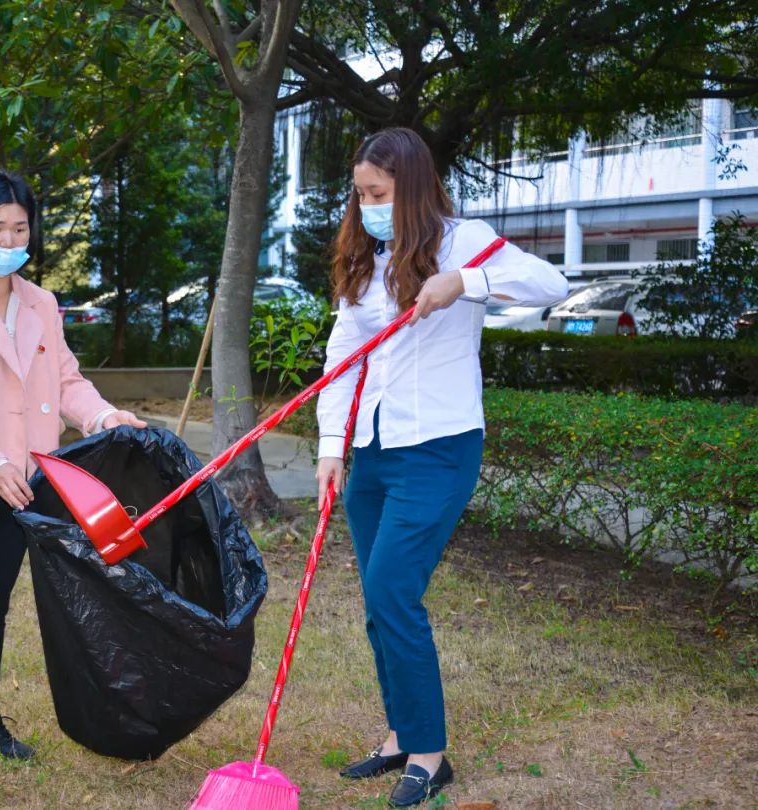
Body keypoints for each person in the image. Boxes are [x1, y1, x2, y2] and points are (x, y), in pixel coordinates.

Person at [315, 128, 568, 807]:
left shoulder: (464, 241)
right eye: (360, 194)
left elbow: (551, 283)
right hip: (373, 452)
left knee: (393, 592)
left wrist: (465, 282)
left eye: (378, 194)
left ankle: (429, 755)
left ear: (413, 188)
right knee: (379, 604)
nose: (367, 206)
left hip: (438, 448)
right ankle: (400, 734)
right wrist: (332, 446)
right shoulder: (366, 258)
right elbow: (344, 355)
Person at [0, 169, 146, 795]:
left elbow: (66, 380)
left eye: (19, 228)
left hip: (26, 477)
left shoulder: (41, 303)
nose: (8, 240)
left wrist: (103, 416)